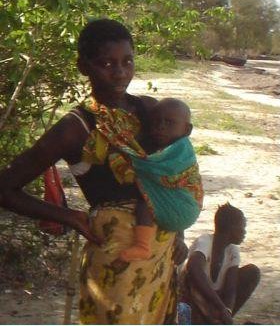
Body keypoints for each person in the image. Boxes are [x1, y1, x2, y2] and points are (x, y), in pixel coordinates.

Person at [0, 18, 189, 324]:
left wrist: (179, 232)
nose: (120, 73)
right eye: (107, 63)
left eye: (127, 61)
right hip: (114, 261)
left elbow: (175, 175)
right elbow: (5, 188)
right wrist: (70, 217)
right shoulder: (74, 128)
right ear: (83, 67)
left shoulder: (152, 112)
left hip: (161, 255)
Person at [117, 98, 204, 262]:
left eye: (169, 123)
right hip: (181, 212)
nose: (160, 127)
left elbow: (158, 171)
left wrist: (126, 155)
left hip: (183, 206)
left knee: (145, 202)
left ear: (187, 130)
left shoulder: (180, 151)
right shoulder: (162, 145)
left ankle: (142, 245)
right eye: (155, 122)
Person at [179, 203, 261, 325]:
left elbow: (231, 288)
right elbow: (193, 268)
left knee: (252, 272)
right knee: (193, 281)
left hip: (213, 300)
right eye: (242, 228)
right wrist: (220, 307)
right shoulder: (205, 241)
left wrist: (226, 310)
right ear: (231, 229)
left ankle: (219, 320)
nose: (244, 232)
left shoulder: (232, 250)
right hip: (193, 298)